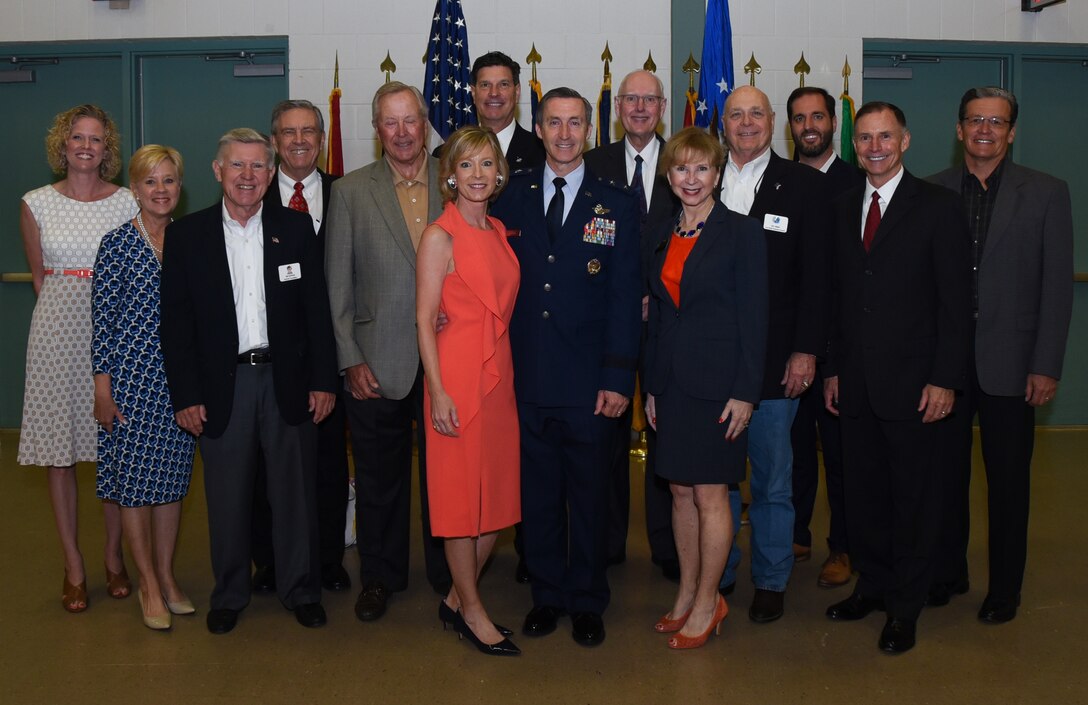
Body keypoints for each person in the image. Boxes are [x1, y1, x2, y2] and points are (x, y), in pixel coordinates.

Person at [160, 128, 336, 635]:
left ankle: (301, 590)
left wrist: (323, 380)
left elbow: (316, 314)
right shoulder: (188, 235)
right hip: (223, 387)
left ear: (271, 172)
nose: (247, 176)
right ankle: (230, 593)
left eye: (258, 166)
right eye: (237, 166)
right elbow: (176, 324)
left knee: (294, 496)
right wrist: (186, 395)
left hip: (287, 381)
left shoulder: (296, 229)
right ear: (218, 171)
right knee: (228, 497)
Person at [490, 87, 641, 647]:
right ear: (539, 126)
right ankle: (548, 595)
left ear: (589, 128)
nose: (563, 134)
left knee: (590, 496)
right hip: (525, 378)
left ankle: (587, 599)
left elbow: (626, 298)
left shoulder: (617, 203)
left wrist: (618, 378)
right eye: (553, 123)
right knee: (539, 495)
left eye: (575, 123)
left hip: (589, 384)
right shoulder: (512, 196)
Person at [823, 102, 971, 654]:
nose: (875, 147)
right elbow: (838, 298)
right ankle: (875, 585)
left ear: (905, 141)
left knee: (913, 500)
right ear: (853, 144)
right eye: (864, 138)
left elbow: (956, 304)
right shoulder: (841, 207)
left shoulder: (938, 207)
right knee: (865, 498)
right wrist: (833, 369)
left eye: (885, 136)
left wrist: (945, 379)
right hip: (856, 386)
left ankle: (905, 607)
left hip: (916, 386)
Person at [928, 87, 1073, 623]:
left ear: (1011, 132)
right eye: (974, 119)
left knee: (1009, 482)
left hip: (1014, 363)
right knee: (944, 477)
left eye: (997, 121)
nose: (984, 128)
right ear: (959, 129)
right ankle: (947, 572)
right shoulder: (931, 191)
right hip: (945, 363)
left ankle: (1004, 589)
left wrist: (1046, 364)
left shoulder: (1047, 193)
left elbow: (1057, 288)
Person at [325, 82, 451, 623]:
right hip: (376, 362)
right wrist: (350, 357)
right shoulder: (351, 192)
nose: (401, 132)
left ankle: (451, 575)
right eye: (389, 122)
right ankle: (379, 576)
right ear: (376, 130)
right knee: (380, 477)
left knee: (446, 474)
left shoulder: (457, 182)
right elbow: (338, 285)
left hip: (450, 358)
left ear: (425, 123)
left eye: (410, 120)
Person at [644, 127, 768, 649]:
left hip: (720, 387)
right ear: (668, 177)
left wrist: (746, 391)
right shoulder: (664, 230)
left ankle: (709, 599)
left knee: (713, 493)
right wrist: (652, 386)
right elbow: (660, 316)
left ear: (717, 174)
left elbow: (755, 317)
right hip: (671, 382)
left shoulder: (741, 232)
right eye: (680, 169)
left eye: (701, 169)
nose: (690, 179)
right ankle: (687, 591)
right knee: (678, 490)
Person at [716, 85, 832, 622]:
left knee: (771, 480)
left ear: (773, 123)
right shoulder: (699, 175)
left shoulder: (805, 186)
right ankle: (719, 571)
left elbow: (817, 279)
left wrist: (806, 351)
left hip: (775, 362)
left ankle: (771, 577)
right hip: (711, 361)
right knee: (714, 479)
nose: (746, 123)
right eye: (736, 114)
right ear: (723, 122)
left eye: (756, 114)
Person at [19, 104, 138, 613]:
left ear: (106, 148)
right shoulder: (36, 203)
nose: (86, 146)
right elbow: (41, 279)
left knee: (111, 447)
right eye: (77, 138)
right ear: (62, 145)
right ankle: (73, 564)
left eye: (95, 139)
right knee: (59, 454)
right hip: (55, 335)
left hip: (111, 332)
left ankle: (114, 556)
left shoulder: (128, 202)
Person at [417, 126, 522, 656]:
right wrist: (437, 390)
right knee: (462, 502)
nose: (477, 174)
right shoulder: (440, 235)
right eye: (466, 165)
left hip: (498, 377)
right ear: (450, 175)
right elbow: (422, 318)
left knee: (497, 501)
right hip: (455, 380)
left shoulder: (500, 230)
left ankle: (458, 599)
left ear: (499, 172)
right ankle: (473, 611)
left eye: (486, 164)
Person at [92, 144, 196, 630]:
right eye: (150, 181)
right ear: (135, 189)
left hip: (177, 384)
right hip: (130, 384)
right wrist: (102, 388)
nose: (160, 190)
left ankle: (168, 576)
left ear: (180, 187)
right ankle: (147, 585)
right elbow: (102, 324)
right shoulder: (116, 244)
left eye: (169, 180)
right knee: (134, 487)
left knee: (171, 484)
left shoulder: (189, 243)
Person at [250, 99, 351, 595]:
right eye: (288, 132)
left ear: (321, 137)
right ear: (274, 141)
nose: (298, 140)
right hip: (273, 358)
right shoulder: (250, 196)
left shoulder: (346, 193)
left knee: (329, 464)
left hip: (335, 353)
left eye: (308, 131)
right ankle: (269, 561)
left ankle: (329, 560)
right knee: (268, 468)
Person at [584, 69, 681, 578]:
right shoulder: (593, 163)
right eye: (631, 100)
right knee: (608, 431)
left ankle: (667, 547)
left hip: (669, 323)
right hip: (608, 325)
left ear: (662, 106)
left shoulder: (682, 162)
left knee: (666, 432)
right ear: (617, 106)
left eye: (650, 99)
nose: (640, 108)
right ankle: (606, 541)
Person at [463, 50, 545, 584]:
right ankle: (462, 561)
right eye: (484, 85)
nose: (494, 94)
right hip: (471, 330)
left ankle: (533, 553)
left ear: (518, 91)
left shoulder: (546, 148)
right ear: (472, 92)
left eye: (504, 85)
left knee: (530, 449)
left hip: (532, 321)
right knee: (472, 457)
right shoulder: (458, 151)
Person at [785, 86, 865, 589]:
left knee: (840, 453)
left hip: (840, 344)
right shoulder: (779, 181)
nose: (809, 125)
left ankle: (844, 545)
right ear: (788, 126)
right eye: (799, 118)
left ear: (834, 122)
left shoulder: (858, 182)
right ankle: (795, 531)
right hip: (789, 342)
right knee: (792, 446)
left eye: (818, 116)